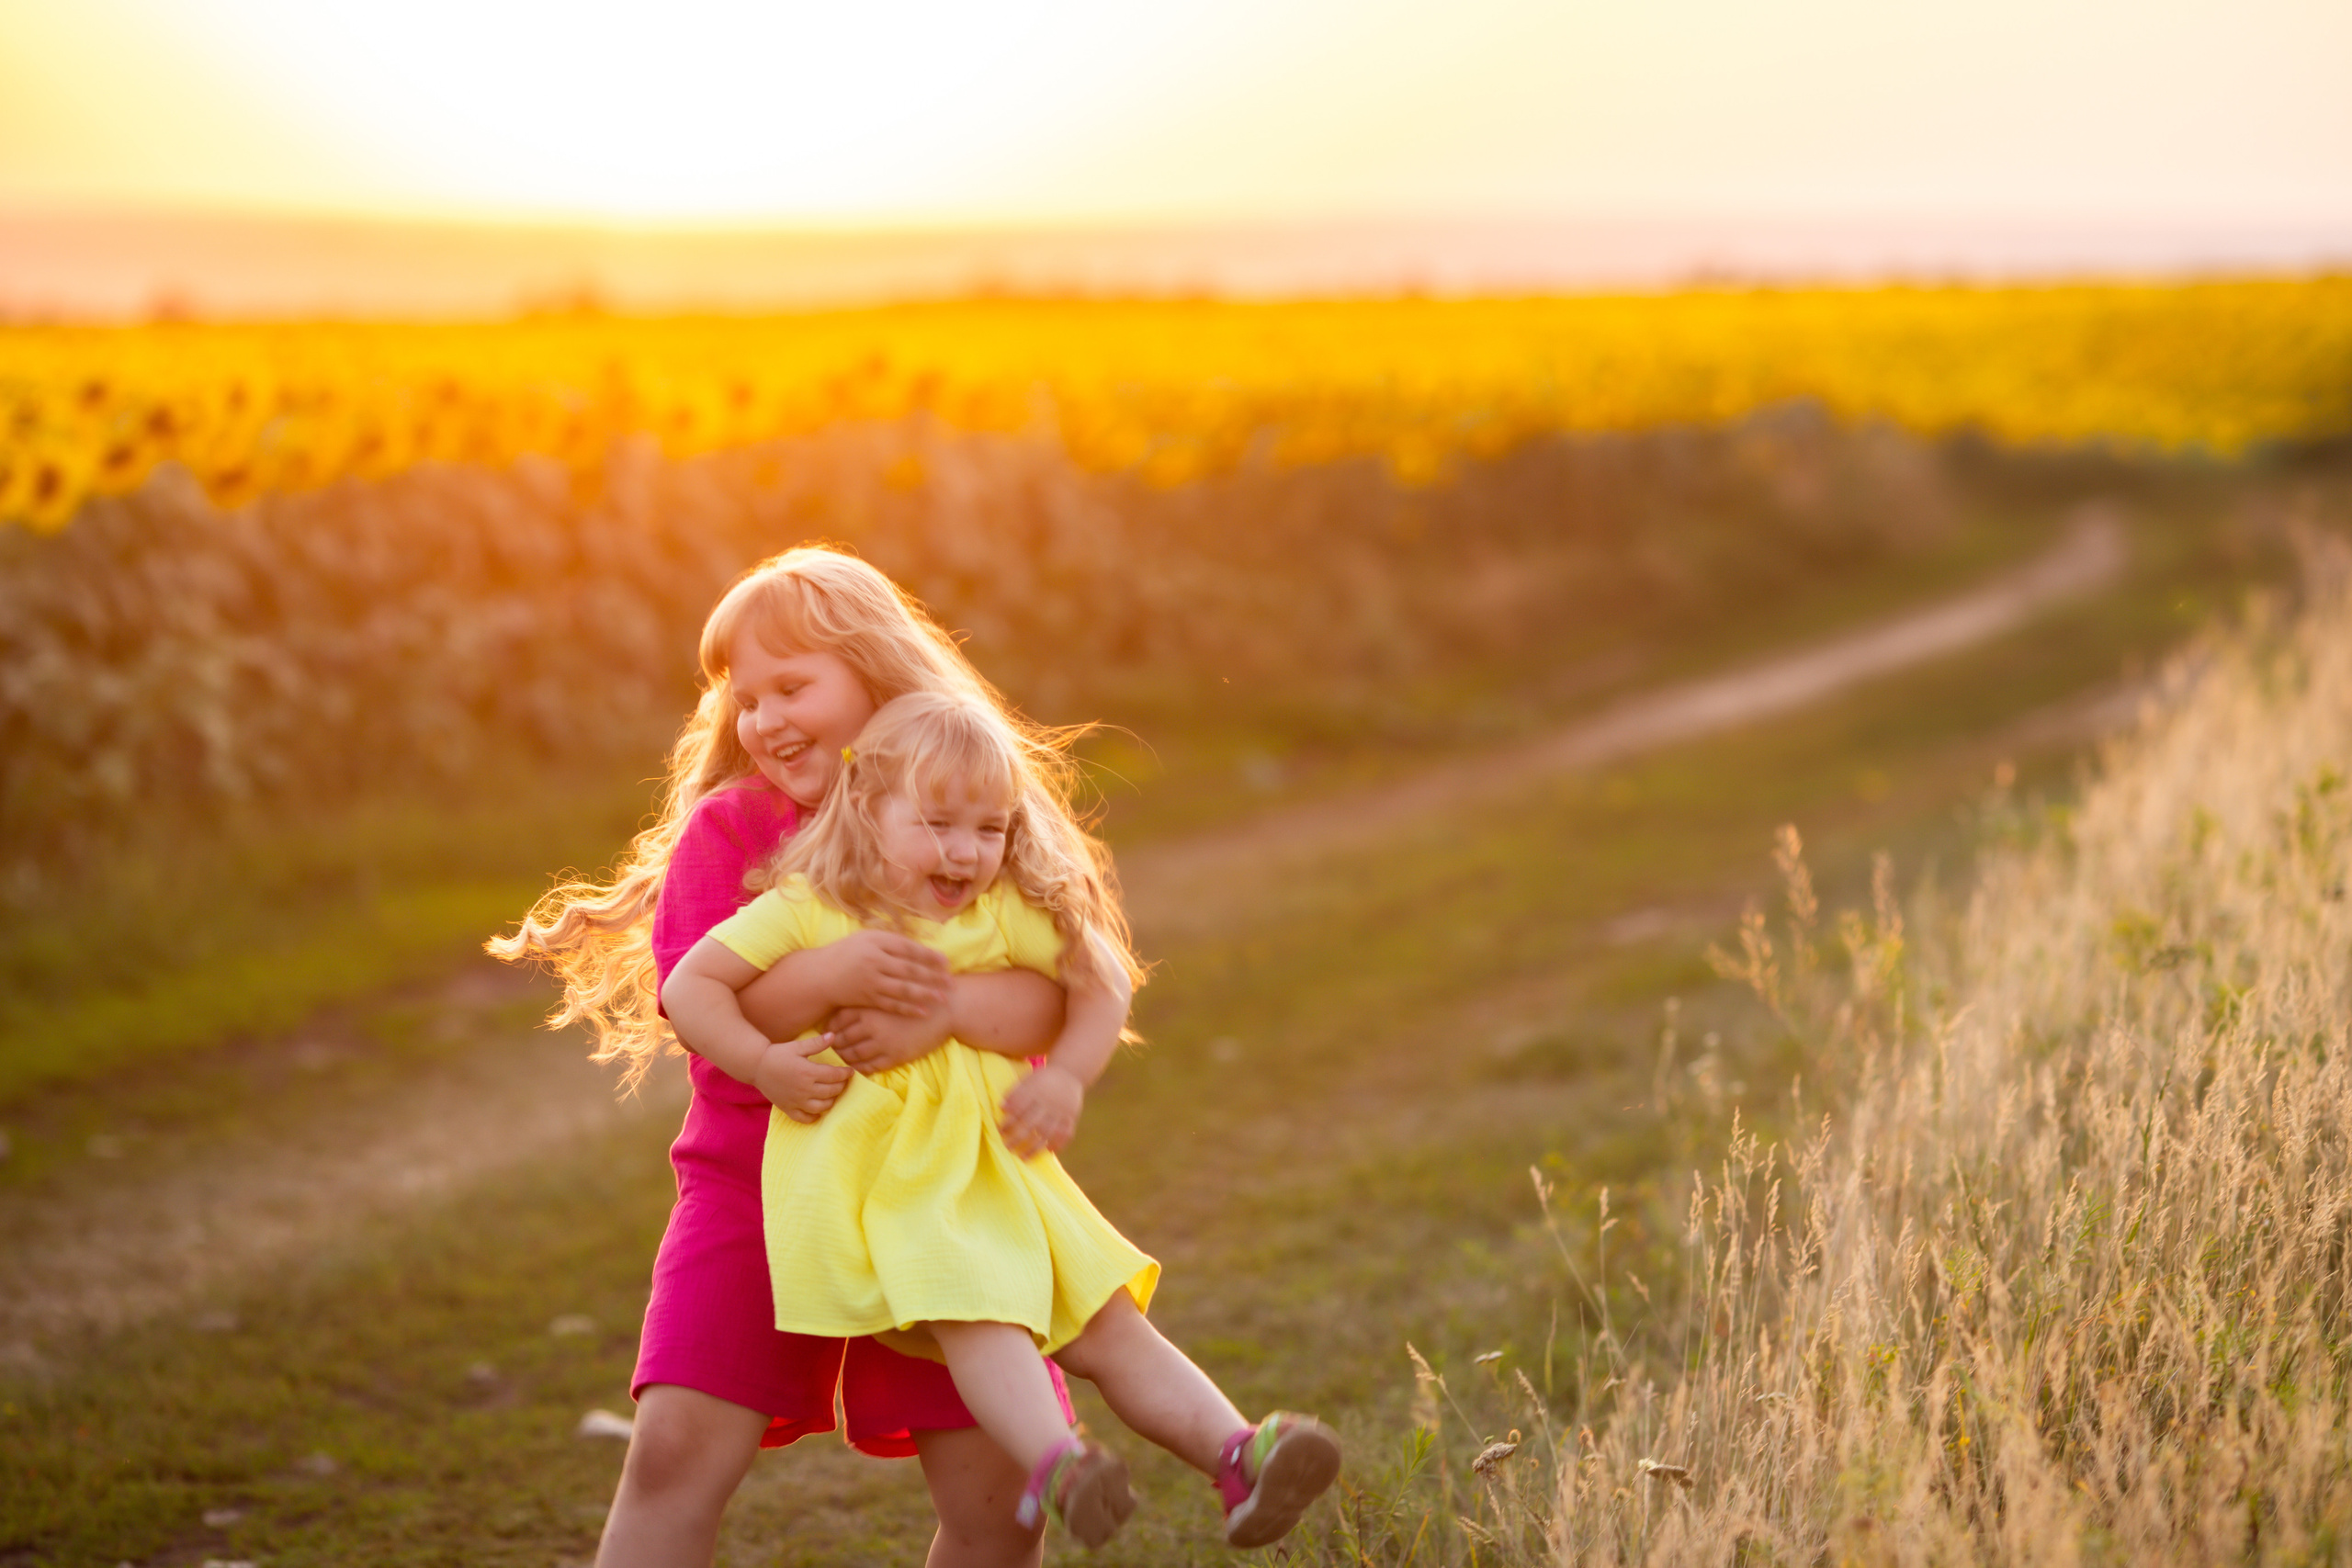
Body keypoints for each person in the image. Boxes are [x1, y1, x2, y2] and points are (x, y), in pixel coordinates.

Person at [492, 547, 1075, 1568]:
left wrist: (938, 1012)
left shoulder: (975, 819)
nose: (762, 719)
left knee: (1001, 1499)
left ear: (878, 675)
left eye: (791, 686)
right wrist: (839, 968)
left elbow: (1048, 998)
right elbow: (708, 1003)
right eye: (742, 696)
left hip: (938, 1185)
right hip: (752, 1180)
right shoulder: (733, 831)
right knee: (672, 1454)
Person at [663, 690, 1343, 1551]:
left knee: (1107, 1322)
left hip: (1000, 1165)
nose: (966, 851)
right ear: (869, 807)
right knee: (977, 1313)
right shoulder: (813, 903)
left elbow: (1102, 979)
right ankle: (1058, 1461)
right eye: (939, 823)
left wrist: (1067, 1075)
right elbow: (691, 986)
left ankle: (1240, 1455)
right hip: (891, 1182)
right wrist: (763, 1064)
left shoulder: (998, 910)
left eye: (989, 829)